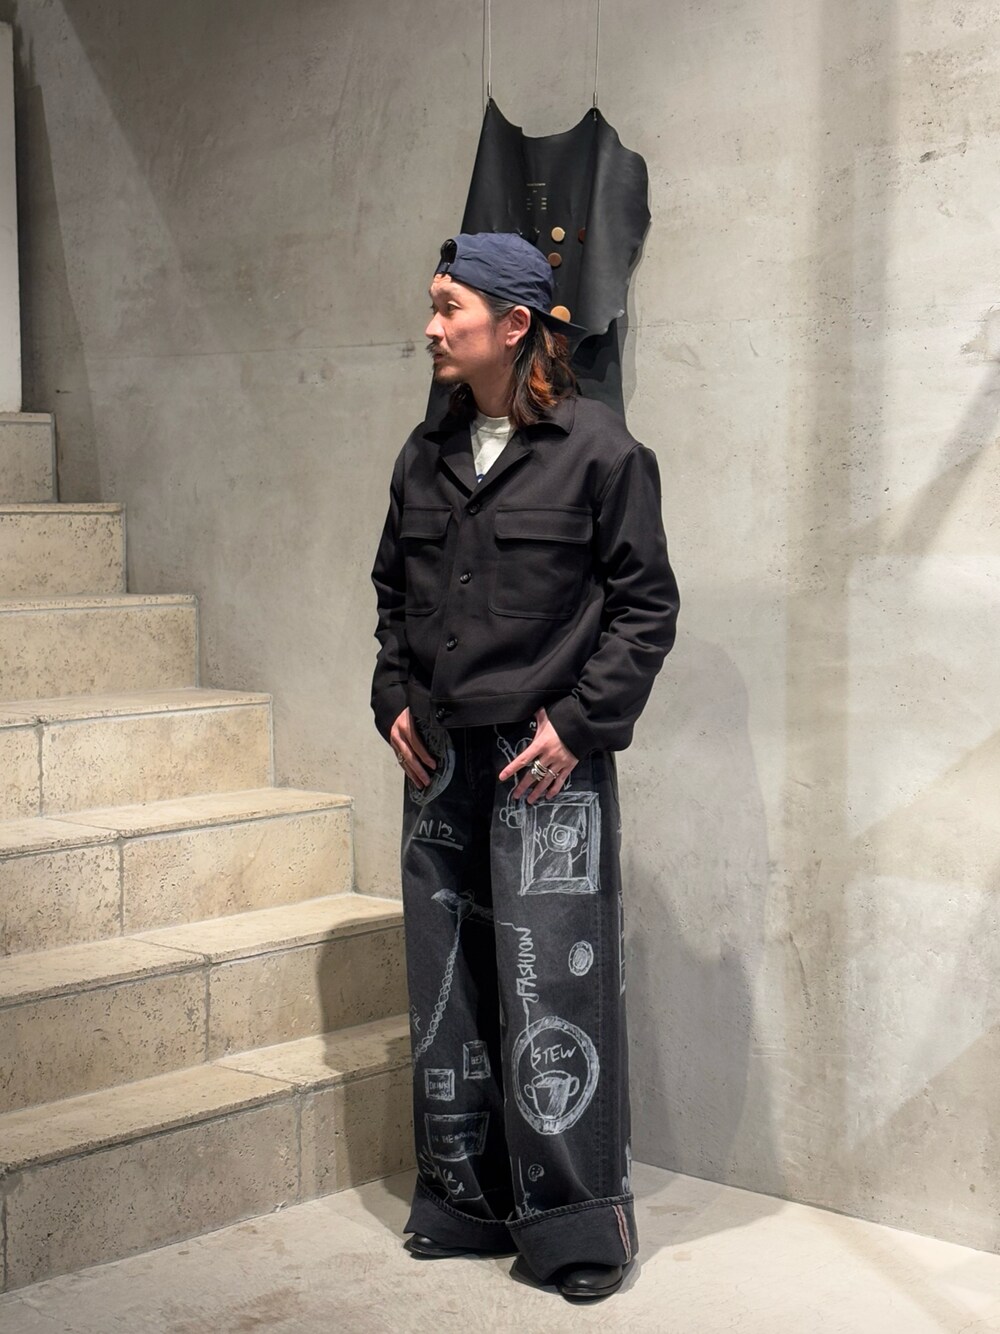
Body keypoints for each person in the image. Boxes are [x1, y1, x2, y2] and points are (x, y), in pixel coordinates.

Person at [370, 232, 679, 1301]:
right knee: (446, 989)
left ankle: (575, 1230)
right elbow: (392, 598)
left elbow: (645, 608)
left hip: (544, 764)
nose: (430, 327)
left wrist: (581, 725)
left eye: (447, 307)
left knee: (555, 995)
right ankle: (463, 1202)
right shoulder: (424, 453)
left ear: (513, 324)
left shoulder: (602, 451)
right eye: (431, 305)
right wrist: (391, 697)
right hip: (436, 756)